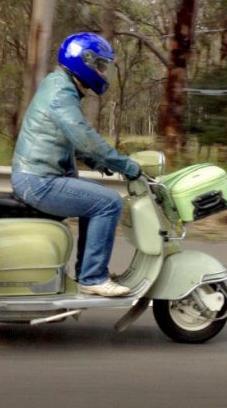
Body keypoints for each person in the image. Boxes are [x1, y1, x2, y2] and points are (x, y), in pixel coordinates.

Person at [11, 32, 142, 297]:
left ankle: (88, 273)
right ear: (86, 62)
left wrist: (98, 163)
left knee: (94, 199)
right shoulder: (62, 92)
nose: (103, 72)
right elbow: (83, 136)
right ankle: (93, 277)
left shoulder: (59, 84)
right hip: (39, 181)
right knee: (109, 203)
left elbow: (66, 139)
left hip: (37, 176)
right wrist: (127, 166)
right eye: (101, 66)